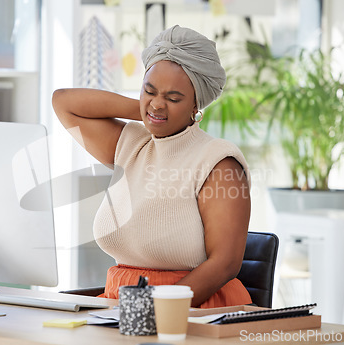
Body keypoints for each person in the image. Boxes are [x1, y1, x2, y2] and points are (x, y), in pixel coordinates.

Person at [52, 25, 252, 308]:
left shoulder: (218, 162)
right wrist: (150, 112)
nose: (158, 103)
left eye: (173, 98)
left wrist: (157, 308)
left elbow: (225, 263)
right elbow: (63, 103)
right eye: (149, 90)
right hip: (119, 304)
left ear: (196, 104)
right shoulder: (132, 143)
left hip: (189, 308)